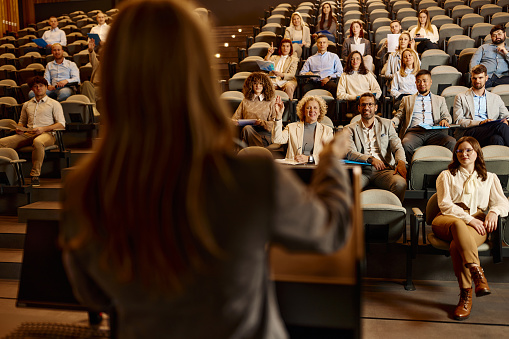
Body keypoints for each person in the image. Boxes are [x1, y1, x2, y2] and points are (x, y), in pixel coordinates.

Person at [60, 1, 352, 338]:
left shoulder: (84, 188)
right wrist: (330, 161)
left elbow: (92, 295)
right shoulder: (250, 178)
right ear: (198, 70)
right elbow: (331, 231)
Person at [433, 136, 509, 320]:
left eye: (468, 150)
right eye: (459, 151)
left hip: (478, 220)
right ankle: (477, 273)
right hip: (447, 219)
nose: (464, 154)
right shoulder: (446, 175)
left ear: (477, 153)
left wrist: (494, 212)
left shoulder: (490, 178)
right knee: (458, 223)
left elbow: (503, 203)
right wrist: (468, 219)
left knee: (455, 247)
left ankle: (465, 296)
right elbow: (445, 205)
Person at [0, 76, 65, 186]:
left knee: (38, 142)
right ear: (32, 89)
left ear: (46, 87)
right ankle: (10, 173)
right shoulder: (27, 104)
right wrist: (19, 128)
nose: (38, 88)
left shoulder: (54, 103)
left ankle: (35, 175)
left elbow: (61, 125)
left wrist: (43, 129)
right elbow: (21, 121)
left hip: (47, 134)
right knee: (2, 143)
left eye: (41, 86)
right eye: (35, 86)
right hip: (28, 133)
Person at [344, 93, 407, 202]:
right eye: (363, 105)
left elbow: (397, 147)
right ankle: (354, 217)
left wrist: (401, 162)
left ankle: (390, 215)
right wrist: (370, 159)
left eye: (370, 104)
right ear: (359, 108)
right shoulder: (349, 129)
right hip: (361, 170)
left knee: (400, 184)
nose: (366, 108)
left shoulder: (387, 124)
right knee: (346, 188)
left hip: (384, 170)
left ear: (376, 107)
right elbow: (350, 152)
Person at [392, 69, 455, 162]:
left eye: (425, 81)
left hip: (434, 132)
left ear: (430, 82)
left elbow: (447, 116)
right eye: (419, 81)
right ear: (415, 83)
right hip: (414, 132)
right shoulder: (407, 100)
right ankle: (411, 170)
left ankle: (448, 169)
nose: (422, 84)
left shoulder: (440, 99)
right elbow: (399, 116)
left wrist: (445, 120)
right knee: (405, 144)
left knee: (452, 142)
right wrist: (393, 122)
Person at [453, 64, 509, 145]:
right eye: (474, 78)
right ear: (471, 78)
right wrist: (480, 122)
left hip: (490, 130)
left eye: (480, 78)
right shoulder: (460, 97)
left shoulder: (495, 98)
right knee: (501, 126)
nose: (477, 81)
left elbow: (506, 116)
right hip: (469, 131)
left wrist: (506, 120)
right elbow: (459, 121)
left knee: (497, 139)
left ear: (486, 78)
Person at [271, 95, 334, 164]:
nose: (312, 110)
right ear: (303, 111)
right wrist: (279, 116)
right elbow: (276, 140)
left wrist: (309, 158)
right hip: (295, 168)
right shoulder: (291, 127)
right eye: (308, 108)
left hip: (317, 168)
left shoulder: (327, 130)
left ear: (319, 112)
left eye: (315, 108)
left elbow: (330, 155)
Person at [231, 72, 284, 147]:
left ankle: (253, 154)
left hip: (264, 135)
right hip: (246, 133)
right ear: (250, 85)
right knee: (247, 128)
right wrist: (235, 122)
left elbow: (276, 125)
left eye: (260, 83)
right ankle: (258, 154)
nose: (257, 86)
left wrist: (261, 123)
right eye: (255, 83)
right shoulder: (245, 101)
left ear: (265, 85)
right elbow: (234, 119)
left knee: (247, 131)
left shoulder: (272, 101)